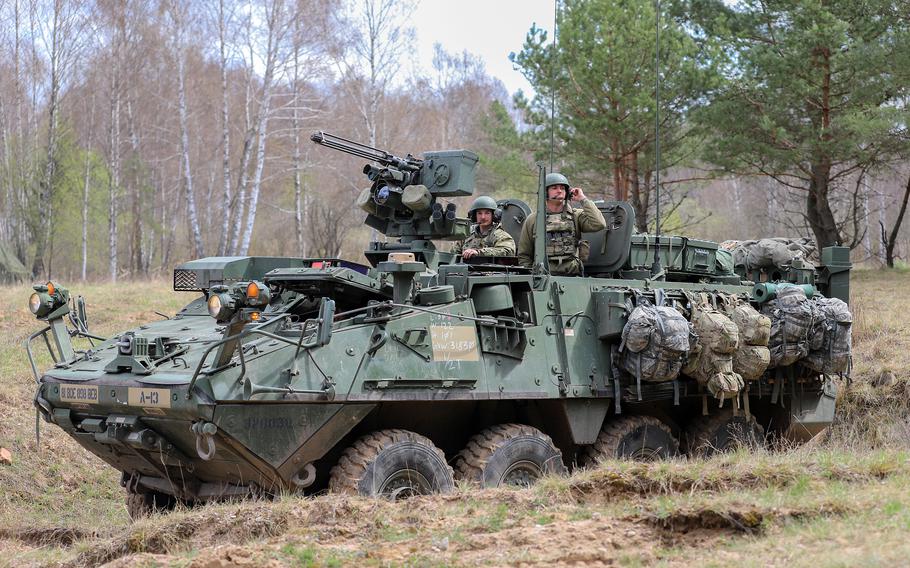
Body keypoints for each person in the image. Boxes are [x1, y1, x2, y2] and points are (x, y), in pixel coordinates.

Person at [517, 172, 606, 275]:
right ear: (545, 192)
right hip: (543, 276)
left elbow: (599, 224)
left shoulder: (575, 216)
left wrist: (583, 199)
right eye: (554, 188)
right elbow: (524, 254)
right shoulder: (533, 219)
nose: (559, 191)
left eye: (563, 188)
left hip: (572, 275)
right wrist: (532, 278)